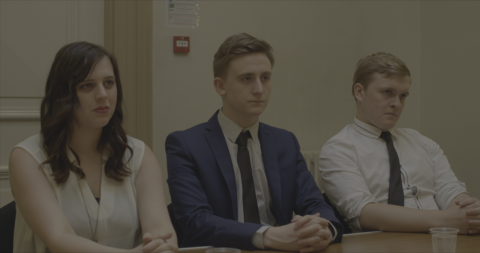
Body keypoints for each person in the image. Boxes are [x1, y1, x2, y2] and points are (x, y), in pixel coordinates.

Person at [166, 33, 343, 252]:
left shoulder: (284, 142)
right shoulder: (186, 145)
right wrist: (267, 235)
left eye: (265, 78)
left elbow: (316, 205)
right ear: (220, 86)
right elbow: (196, 222)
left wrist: (325, 230)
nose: (259, 89)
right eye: (247, 78)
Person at [8, 42, 178, 253]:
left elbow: (162, 234)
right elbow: (59, 239)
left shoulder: (139, 155)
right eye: (87, 86)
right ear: (63, 95)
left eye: (109, 83)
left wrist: (163, 247)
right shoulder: (28, 157)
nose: (103, 95)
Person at [319, 52, 480, 234]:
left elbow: (449, 189)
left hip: (440, 240)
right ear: (359, 92)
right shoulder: (339, 149)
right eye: (387, 92)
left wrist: (469, 212)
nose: (397, 103)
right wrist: (446, 221)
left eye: (403, 95)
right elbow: (363, 213)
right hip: (381, 245)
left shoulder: (422, 142)